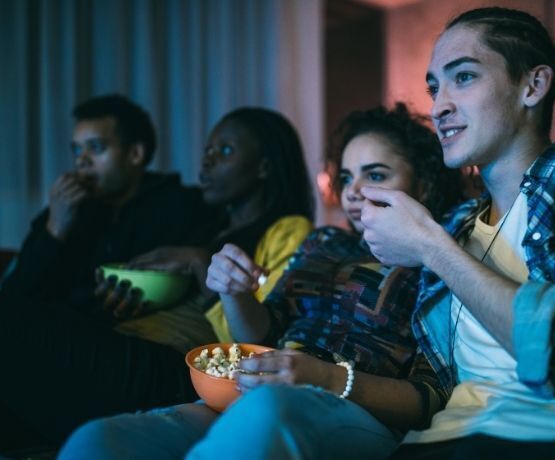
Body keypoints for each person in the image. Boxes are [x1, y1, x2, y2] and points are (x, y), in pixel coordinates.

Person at [352, 7, 555, 459]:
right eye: (434, 87)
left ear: (533, 85)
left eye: (463, 77)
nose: (439, 106)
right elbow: (428, 386)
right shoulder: (455, 224)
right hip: (444, 442)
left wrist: (431, 248)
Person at [57, 103, 465, 460]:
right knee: (103, 439)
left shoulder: (435, 258)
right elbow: (265, 330)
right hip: (255, 392)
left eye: (374, 174)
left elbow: (431, 397)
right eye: (345, 177)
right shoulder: (325, 241)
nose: (353, 191)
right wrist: (234, 293)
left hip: (356, 411)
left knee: (265, 413)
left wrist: (322, 377)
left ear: (422, 184)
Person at [0, 107, 315, 454]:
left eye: (224, 151)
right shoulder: (205, 222)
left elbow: (259, 336)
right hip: (120, 342)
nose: (205, 162)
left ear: (265, 166)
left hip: (176, 367)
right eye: (207, 150)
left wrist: (197, 261)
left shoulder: (286, 230)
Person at [0, 94, 220, 311]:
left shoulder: (180, 206)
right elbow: (12, 294)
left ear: (135, 153)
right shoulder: (67, 209)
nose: (81, 160)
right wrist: (55, 229)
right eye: (77, 149)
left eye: (95, 148)